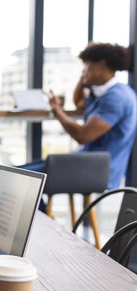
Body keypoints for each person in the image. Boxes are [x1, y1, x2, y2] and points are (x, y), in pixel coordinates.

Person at [22, 42, 137, 196]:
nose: (83, 71)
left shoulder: (117, 97)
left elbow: (83, 136)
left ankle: (40, 218)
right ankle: (42, 216)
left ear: (101, 64)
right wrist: (85, 76)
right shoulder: (105, 93)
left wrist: (57, 110)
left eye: (86, 66)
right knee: (20, 172)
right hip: (84, 164)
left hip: (96, 172)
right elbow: (79, 102)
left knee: (23, 179)